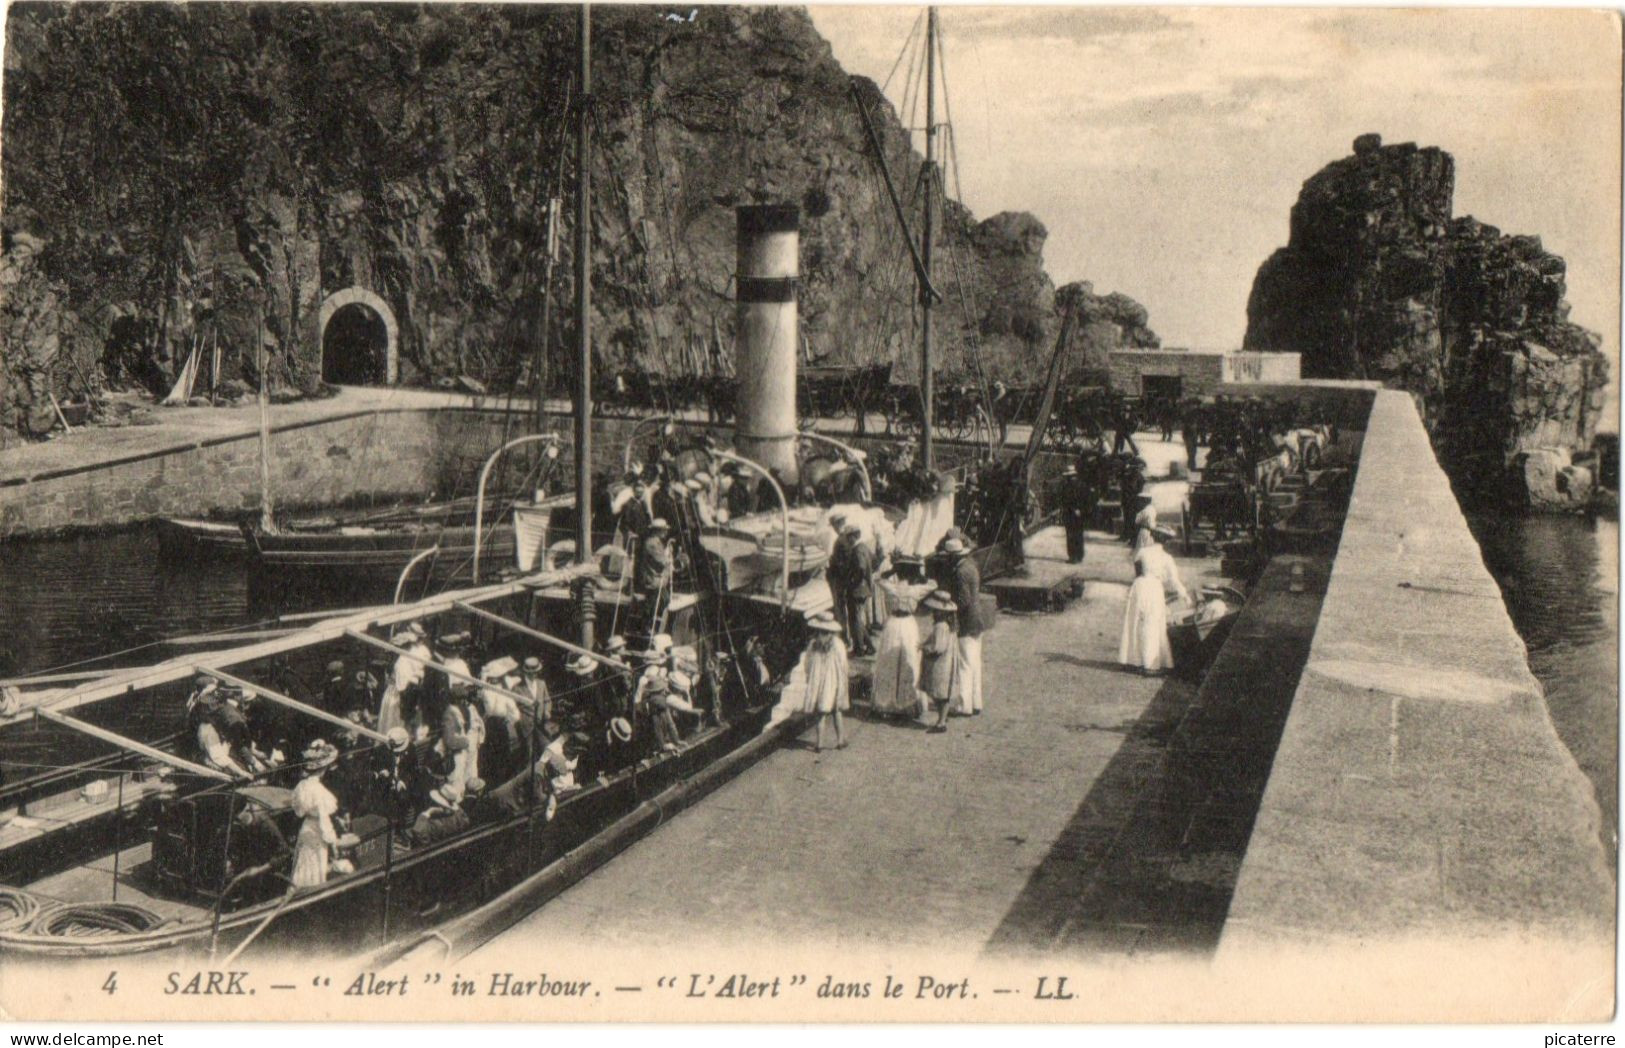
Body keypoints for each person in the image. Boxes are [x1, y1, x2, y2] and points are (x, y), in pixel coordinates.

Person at [289, 739, 357, 888]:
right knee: (315, 867)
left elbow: (299, 811)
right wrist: (332, 842)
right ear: (324, 768)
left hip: (305, 828)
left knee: (303, 864)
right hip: (317, 830)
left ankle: (300, 889)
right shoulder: (319, 791)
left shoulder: (301, 786)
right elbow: (324, 822)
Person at [944, 538, 985, 716]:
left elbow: (963, 600)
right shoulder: (971, 566)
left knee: (964, 664)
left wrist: (948, 605)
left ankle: (963, 704)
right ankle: (976, 702)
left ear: (953, 557)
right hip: (977, 619)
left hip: (966, 621)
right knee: (975, 663)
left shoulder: (959, 572)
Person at [869, 586, 923, 718]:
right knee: (904, 660)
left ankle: (888, 702)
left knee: (892, 661)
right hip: (907, 624)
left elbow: (880, 581)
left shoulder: (892, 587)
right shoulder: (915, 589)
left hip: (894, 624)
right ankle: (901, 702)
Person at [799, 613, 849, 752]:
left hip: (818, 681)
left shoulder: (813, 644)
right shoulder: (837, 644)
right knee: (836, 711)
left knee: (821, 713)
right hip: (833, 681)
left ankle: (819, 743)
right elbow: (843, 663)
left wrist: (810, 675)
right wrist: (843, 678)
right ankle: (840, 740)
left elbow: (807, 663)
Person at [1119, 556, 1175, 675]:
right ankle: (1149, 665)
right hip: (1151, 616)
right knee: (1151, 636)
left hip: (1142, 616)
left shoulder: (1138, 583)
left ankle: (1136, 661)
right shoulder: (1155, 583)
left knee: (1138, 634)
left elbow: (1134, 603)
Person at [829, 522, 875, 655]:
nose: (849, 540)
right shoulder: (865, 547)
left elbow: (860, 568)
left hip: (857, 590)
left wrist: (853, 582)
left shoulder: (857, 549)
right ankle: (869, 646)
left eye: (850, 537)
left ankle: (859, 649)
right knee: (857, 619)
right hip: (863, 588)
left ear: (855, 536)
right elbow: (875, 560)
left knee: (854, 620)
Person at [919, 590, 959, 734]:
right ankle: (943, 718)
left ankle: (941, 722)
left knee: (939, 693)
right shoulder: (951, 625)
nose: (932, 613)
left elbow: (938, 647)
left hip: (940, 664)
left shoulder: (940, 626)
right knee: (943, 693)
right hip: (947, 663)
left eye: (935, 610)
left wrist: (924, 647)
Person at [635, 518, 674, 629]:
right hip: (653, 580)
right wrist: (668, 556)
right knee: (660, 601)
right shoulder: (652, 543)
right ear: (658, 531)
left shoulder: (656, 542)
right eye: (664, 530)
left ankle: (649, 624)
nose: (666, 532)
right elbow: (660, 560)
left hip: (657, 580)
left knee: (662, 600)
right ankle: (646, 626)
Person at [1057, 464, 1091, 565]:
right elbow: (1086, 499)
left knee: (1071, 535)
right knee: (1078, 534)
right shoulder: (1082, 484)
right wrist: (1081, 509)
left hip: (1070, 512)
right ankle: (1079, 555)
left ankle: (1073, 556)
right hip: (1079, 513)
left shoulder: (1067, 486)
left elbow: (1065, 499)